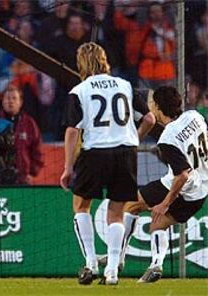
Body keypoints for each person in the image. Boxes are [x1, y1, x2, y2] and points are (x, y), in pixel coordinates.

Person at [59, 42, 155, 285]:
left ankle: (91, 263)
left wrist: (68, 166)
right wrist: (134, 138)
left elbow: (72, 131)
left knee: (81, 206)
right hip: (125, 153)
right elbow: (150, 118)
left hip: (95, 153)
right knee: (116, 213)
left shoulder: (79, 90)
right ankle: (112, 270)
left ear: (81, 63)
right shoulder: (125, 85)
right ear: (104, 60)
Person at [109, 86, 208, 283]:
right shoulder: (195, 117)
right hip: (201, 192)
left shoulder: (168, 138)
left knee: (130, 205)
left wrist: (165, 203)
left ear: (158, 107)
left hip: (181, 188)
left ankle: (117, 259)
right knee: (158, 225)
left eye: (152, 103)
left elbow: (182, 176)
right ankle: (155, 265)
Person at [0, 85, 44, 184]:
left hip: (23, 179)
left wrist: (32, 173)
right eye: (7, 98)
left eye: (14, 98)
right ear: (2, 101)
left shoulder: (29, 123)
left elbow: (38, 150)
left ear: (20, 102)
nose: (11, 101)